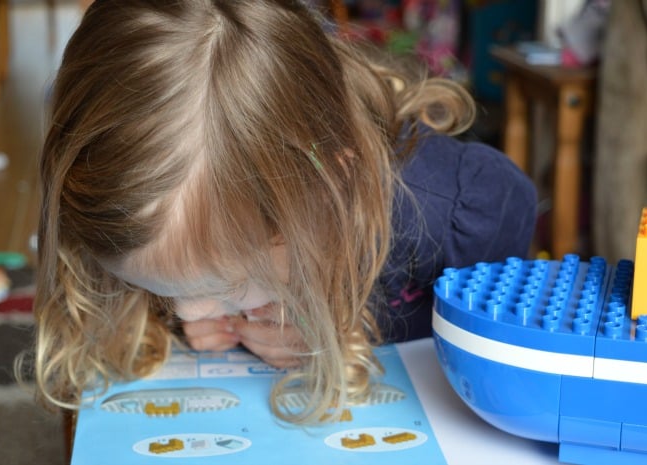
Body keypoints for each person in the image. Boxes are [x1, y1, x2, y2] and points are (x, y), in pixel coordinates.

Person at [27, 0, 536, 425]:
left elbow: (502, 303)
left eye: (217, 289)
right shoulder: (169, 216)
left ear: (322, 194)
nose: (189, 313)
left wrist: (345, 327)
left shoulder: (452, 205)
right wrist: (178, 323)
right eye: (166, 294)